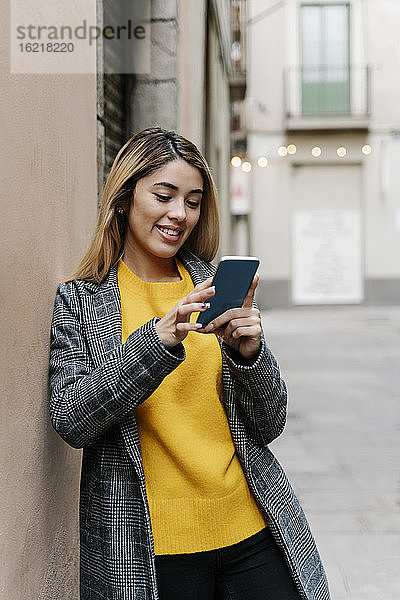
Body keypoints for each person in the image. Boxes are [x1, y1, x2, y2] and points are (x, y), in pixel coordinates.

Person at [48, 127, 330, 600]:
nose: (179, 214)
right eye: (164, 195)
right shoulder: (81, 300)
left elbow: (270, 422)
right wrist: (156, 342)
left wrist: (250, 357)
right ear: (124, 197)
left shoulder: (215, 285)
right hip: (149, 550)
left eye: (193, 201)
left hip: (250, 529)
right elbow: (71, 419)